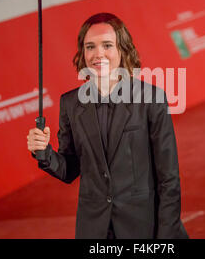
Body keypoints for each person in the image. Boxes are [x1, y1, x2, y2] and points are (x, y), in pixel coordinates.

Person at [27, 13, 188, 239]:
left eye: (107, 45)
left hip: (143, 229)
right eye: (90, 46)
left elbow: (169, 178)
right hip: (95, 230)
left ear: (122, 50)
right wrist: (43, 152)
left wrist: (166, 237)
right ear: (83, 54)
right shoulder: (71, 104)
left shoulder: (151, 99)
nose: (98, 54)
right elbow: (69, 168)